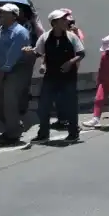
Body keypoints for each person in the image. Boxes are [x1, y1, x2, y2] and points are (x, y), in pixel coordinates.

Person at [28, 9, 86, 143]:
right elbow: (38, 52)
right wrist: (29, 52)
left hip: (68, 77)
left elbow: (81, 53)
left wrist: (70, 62)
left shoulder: (72, 37)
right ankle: (43, 133)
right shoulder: (45, 37)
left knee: (70, 105)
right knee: (44, 106)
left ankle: (73, 133)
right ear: (54, 23)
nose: (67, 21)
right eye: (63, 19)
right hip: (51, 76)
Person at [0, 3, 31, 144]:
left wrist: (3, 71)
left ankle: (12, 133)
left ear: (14, 16)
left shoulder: (20, 32)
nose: (1, 15)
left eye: (5, 13)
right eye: (1, 12)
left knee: (9, 102)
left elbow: (13, 55)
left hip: (15, 70)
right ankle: (14, 124)